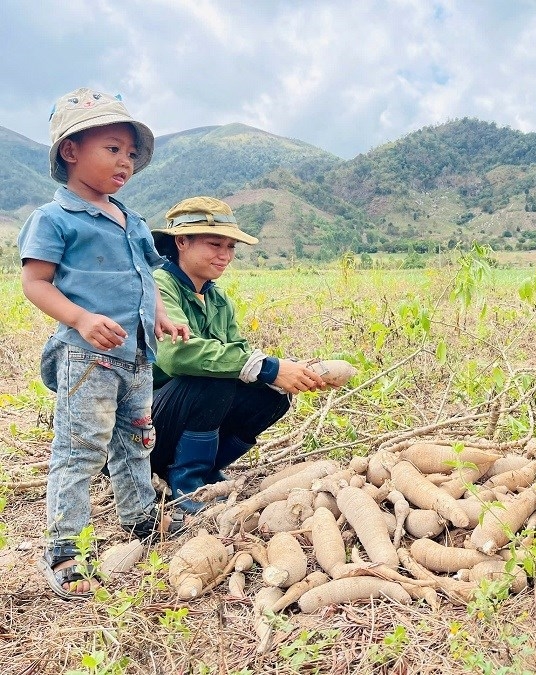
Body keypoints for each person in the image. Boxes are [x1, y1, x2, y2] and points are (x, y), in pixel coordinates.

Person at [18, 87, 190, 599]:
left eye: (131, 153)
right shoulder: (55, 219)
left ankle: (141, 518)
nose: (125, 162)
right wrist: (81, 318)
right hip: (88, 357)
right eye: (112, 149)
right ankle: (65, 549)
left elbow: (144, 278)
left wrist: (161, 317)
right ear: (70, 151)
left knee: (136, 439)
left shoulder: (130, 219)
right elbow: (35, 283)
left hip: (136, 356)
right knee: (80, 450)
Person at [149, 196, 329, 514]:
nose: (225, 255)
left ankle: (205, 471)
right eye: (215, 244)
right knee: (212, 376)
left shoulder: (217, 299)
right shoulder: (157, 286)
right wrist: (268, 367)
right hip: (145, 430)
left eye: (230, 247)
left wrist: (286, 371)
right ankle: (188, 484)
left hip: (178, 425)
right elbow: (176, 356)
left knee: (272, 394)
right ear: (182, 241)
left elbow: (240, 353)